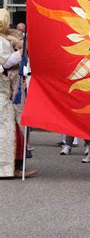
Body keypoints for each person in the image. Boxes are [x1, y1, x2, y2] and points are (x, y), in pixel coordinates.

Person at [0, 9, 36, 178]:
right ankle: (8, 169)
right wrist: (22, 52)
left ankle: (16, 167)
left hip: (5, 93)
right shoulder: (1, 41)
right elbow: (6, 62)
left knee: (14, 132)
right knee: (8, 132)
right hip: (2, 95)